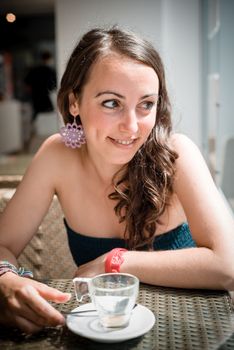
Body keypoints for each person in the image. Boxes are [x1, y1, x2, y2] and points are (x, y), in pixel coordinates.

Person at [0, 27, 233, 334]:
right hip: (100, 330)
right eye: (112, 103)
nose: (132, 126)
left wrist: (115, 261)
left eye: (146, 104)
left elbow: (227, 265)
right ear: (74, 103)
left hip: (192, 328)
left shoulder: (178, 153)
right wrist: (5, 278)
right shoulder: (56, 155)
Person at [24, 50, 56, 122]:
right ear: (48, 59)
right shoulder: (49, 70)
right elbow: (53, 85)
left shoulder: (34, 69)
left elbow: (27, 83)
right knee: (48, 113)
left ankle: (34, 129)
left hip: (35, 95)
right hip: (45, 95)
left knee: (36, 113)